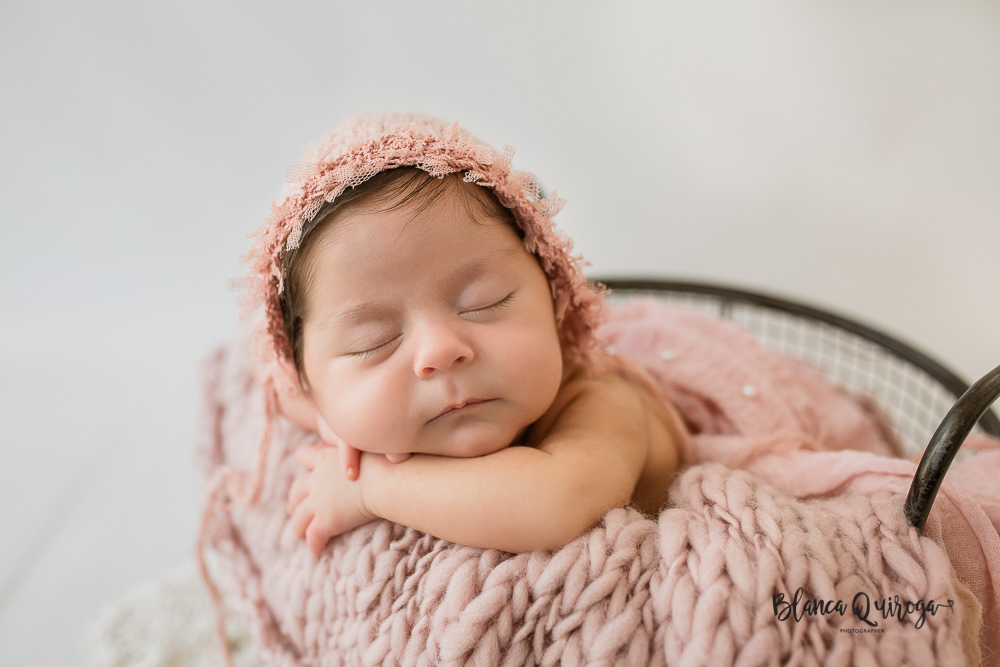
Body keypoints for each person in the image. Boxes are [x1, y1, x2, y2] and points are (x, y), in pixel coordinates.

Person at [242, 113, 683, 556]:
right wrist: (330, 418)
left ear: (554, 295)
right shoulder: (302, 380)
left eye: (484, 303)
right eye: (373, 341)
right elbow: (273, 378)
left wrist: (371, 488)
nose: (441, 351)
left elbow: (558, 504)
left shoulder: (600, 400)